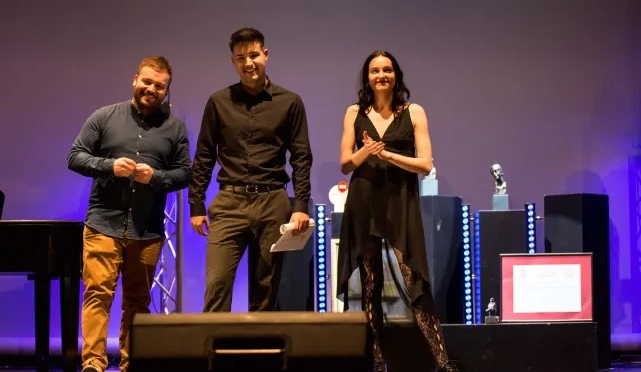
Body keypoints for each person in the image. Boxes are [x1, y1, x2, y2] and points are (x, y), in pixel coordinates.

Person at [67, 55, 191, 372]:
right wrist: (109, 166)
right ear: (135, 79)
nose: (152, 89)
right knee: (98, 295)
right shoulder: (104, 117)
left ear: (167, 90)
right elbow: (75, 157)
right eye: (147, 81)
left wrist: (157, 178)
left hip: (147, 230)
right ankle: (93, 362)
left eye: (159, 86)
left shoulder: (175, 129)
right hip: (102, 224)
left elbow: (185, 174)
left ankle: (131, 362)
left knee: (138, 302)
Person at [336, 50, 457, 372]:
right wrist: (367, 152)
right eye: (375, 70)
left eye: (387, 69)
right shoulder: (354, 112)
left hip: (401, 200)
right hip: (364, 201)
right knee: (370, 284)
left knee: (413, 277)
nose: (381, 75)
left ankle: (442, 361)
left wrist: (387, 155)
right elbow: (346, 163)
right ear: (367, 77)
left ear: (396, 75)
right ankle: (377, 360)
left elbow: (425, 164)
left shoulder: (413, 111)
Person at [189, 27, 313, 312]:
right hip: (229, 201)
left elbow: (301, 157)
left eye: (254, 55)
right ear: (233, 62)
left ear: (265, 55)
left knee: (265, 290)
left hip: (273, 202)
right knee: (217, 285)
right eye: (240, 57)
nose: (248, 63)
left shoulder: (290, 102)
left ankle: (259, 356)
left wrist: (301, 204)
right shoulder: (218, 102)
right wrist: (196, 204)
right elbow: (205, 155)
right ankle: (214, 356)